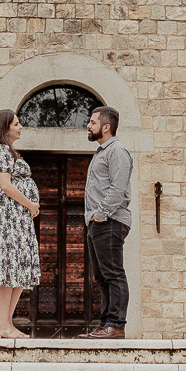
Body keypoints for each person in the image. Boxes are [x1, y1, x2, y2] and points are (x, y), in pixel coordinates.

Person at [0, 109, 41, 339]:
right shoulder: (3, 150)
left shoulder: (8, 151)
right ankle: (2, 325)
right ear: (4, 129)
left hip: (18, 217)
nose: (20, 127)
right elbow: (5, 185)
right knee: (8, 267)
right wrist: (30, 205)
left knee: (19, 268)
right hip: (10, 217)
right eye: (16, 124)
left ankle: (7, 324)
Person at [79, 106, 133, 339]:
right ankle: (105, 325)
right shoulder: (102, 152)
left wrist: (100, 214)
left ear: (106, 127)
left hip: (110, 220)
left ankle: (116, 325)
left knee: (113, 273)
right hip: (98, 223)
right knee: (102, 277)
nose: (88, 125)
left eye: (92, 122)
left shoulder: (118, 151)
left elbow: (117, 189)